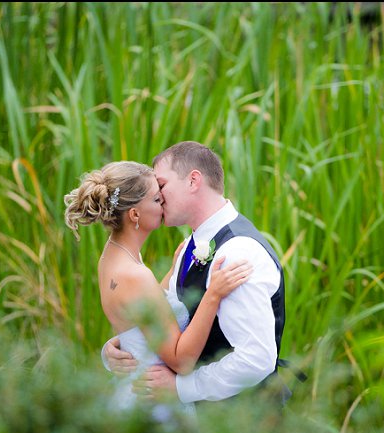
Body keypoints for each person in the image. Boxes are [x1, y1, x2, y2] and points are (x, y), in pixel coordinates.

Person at [103, 142, 289, 407]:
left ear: (193, 181)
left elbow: (256, 359)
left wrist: (181, 388)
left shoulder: (237, 253)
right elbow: (163, 318)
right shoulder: (192, 245)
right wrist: (124, 346)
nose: (159, 196)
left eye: (162, 185)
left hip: (241, 425)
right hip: (204, 427)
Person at [63, 161, 253, 413]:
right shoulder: (134, 274)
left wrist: (171, 274)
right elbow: (181, 360)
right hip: (153, 402)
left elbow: (140, 310)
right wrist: (213, 295)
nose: (163, 204)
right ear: (134, 214)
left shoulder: (113, 257)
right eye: (156, 199)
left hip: (134, 388)